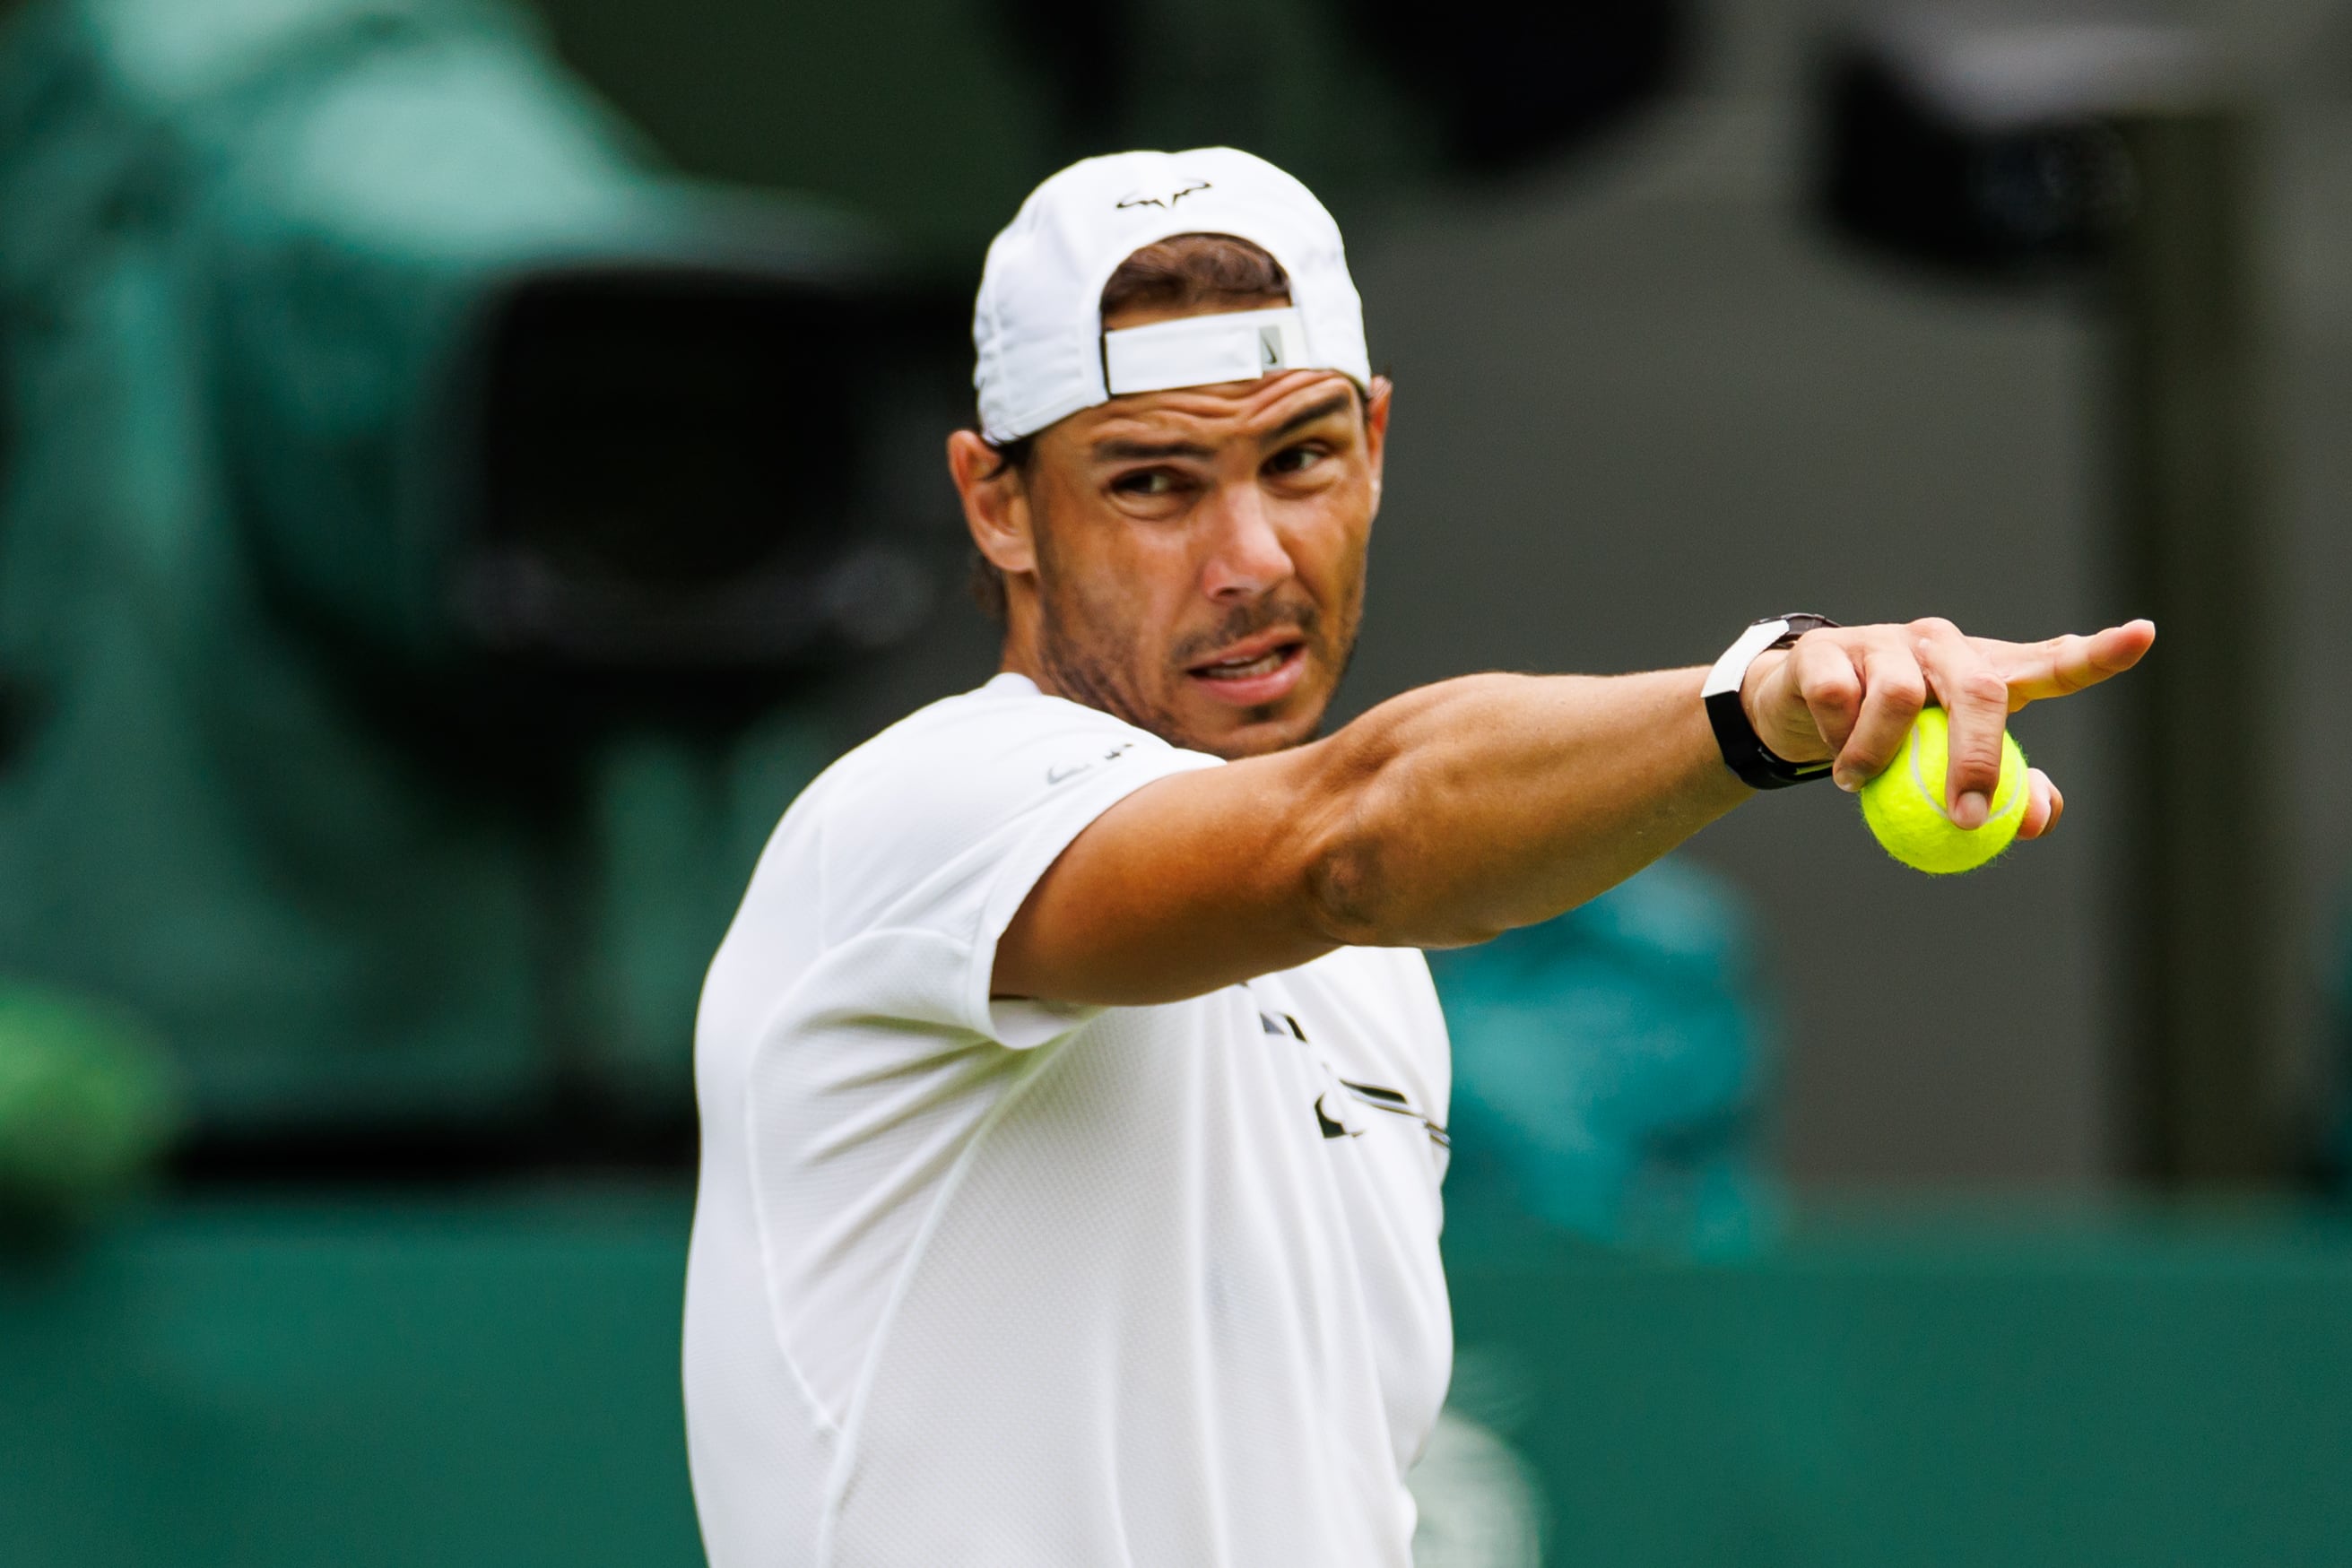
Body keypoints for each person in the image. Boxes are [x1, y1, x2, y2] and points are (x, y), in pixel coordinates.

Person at [681, 146, 2153, 1566]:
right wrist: (1757, 705)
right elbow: (1352, 835)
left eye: (1301, 456)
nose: (1252, 553)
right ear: (998, 504)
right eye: (1153, 484)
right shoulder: (915, 817)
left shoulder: (1370, 975)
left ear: (1376, 446)